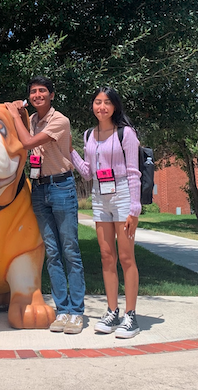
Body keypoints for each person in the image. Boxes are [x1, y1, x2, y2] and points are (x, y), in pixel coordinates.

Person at [5, 76, 86, 334]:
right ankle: (62, 310)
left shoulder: (60, 121)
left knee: (70, 250)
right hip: (39, 189)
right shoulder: (31, 120)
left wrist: (15, 114)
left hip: (61, 187)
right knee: (51, 252)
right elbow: (19, 129)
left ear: (52, 94)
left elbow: (28, 142)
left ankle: (76, 312)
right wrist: (18, 108)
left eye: (42, 91)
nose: (38, 95)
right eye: (33, 92)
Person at [70, 86, 141, 338]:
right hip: (99, 195)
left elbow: (133, 172)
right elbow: (88, 172)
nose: (101, 107)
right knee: (106, 256)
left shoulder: (126, 134)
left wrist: (135, 208)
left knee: (126, 257)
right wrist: (70, 151)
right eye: (97, 102)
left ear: (115, 106)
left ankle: (130, 316)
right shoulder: (90, 134)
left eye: (107, 102)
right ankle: (112, 311)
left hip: (122, 193)